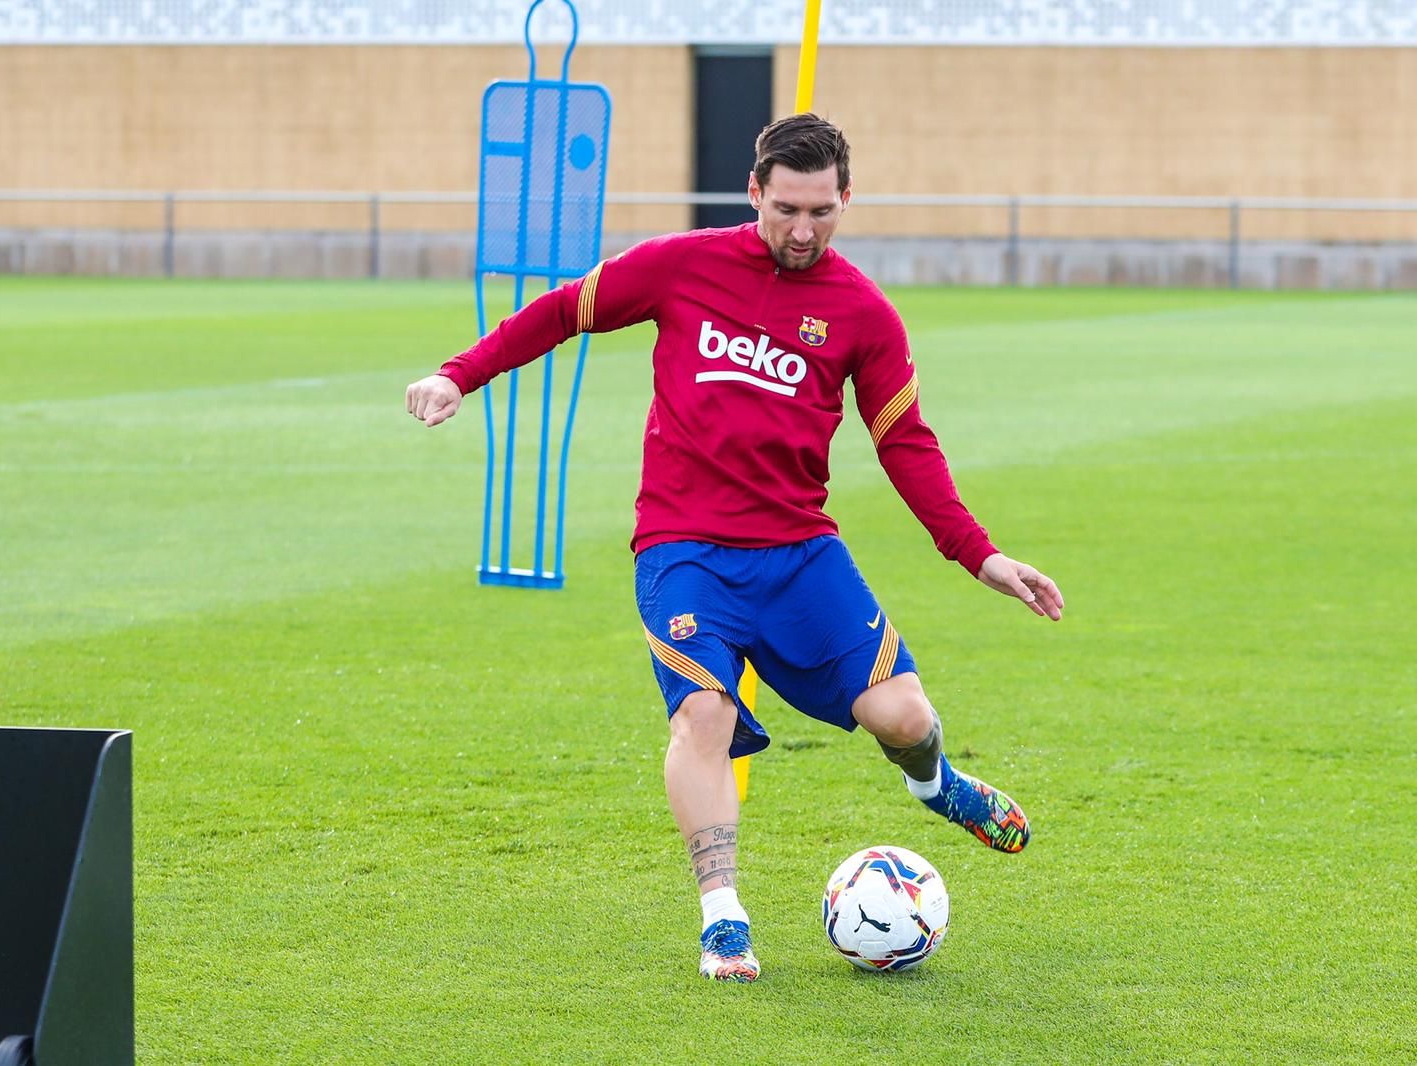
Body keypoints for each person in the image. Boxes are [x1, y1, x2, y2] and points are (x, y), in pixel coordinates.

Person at [406, 113, 1063, 983]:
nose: (803, 230)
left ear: (847, 199)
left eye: (822, 211)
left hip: (799, 553)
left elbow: (905, 442)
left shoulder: (864, 313)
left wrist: (980, 555)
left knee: (904, 719)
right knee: (704, 715)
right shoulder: (681, 266)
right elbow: (565, 311)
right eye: (786, 209)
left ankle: (936, 784)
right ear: (754, 192)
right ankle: (723, 918)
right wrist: (459, 373)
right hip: (684, 550)